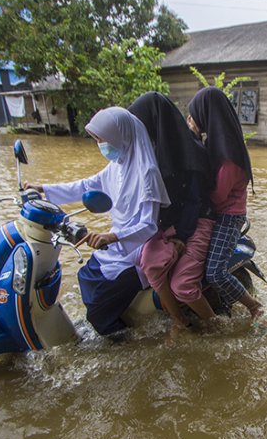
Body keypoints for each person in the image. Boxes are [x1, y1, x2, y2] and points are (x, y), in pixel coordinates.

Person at [24, 107, 170, 337]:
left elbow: (149, 225)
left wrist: (112, 236)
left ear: (119, 136)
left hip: (136, 250)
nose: (100, 144)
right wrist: (44, 189)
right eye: (97, 139)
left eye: (102, 139)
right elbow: (85, 186)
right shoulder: (117, 166)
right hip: (115, 244)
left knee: (98, 312)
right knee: (85, 276)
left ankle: (124, 343)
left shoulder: (147, 173)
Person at [128, 92, 219, 339]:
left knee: (156, 265)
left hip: (192, 224)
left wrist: (181, 235)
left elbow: (194, 201)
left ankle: (189, 322)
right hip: (166, 224)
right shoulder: (153, 151)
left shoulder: (191, 153)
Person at [187, 86, 266, 327]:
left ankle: (255, 307)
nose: (189, 120)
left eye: (193, 115)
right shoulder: (213, 143)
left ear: (206, 115)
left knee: (214, 271)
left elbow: (218, 197)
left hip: (228, 217)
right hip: (215, 213)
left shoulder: (229, 156)